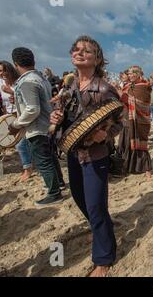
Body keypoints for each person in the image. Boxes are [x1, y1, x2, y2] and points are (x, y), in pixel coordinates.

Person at [50, 35, 122, 277]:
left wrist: (106, 135)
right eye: (76, 50)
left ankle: (104, 258)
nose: (80, 53)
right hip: (73, 152)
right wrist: (56, 121)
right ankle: (99, 228)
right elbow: (65, 119)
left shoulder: (104, 88)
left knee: (95, 205)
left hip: (95, 155)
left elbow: (120, 122)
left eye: (87, 51)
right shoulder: (69, 87)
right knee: (79, 197)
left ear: (97, 58)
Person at [8, 48, 63, 204]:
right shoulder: (42, 78)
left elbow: (32, 108)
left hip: (37, 127)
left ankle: (54, 193)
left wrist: (16, 124)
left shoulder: (27, 81)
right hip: (48, 124)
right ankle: (58, 183)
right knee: (51, 157)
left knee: (43, 160)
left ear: (16, 64)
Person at [117, 66, 152, 178]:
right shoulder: (129, 86)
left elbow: (140, 103)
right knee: (126, 141)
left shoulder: (143, 87)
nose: (129, 75)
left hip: (140, 120)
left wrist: (121, 94)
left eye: (132, 73)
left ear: (137, 74)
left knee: (140, 141)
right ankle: (127, 167)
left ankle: (146, 168)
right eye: (129, 74)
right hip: (127, 117)